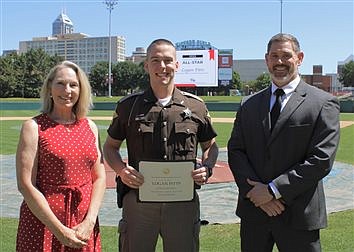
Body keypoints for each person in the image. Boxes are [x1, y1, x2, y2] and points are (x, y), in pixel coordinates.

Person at [227, 33, 340, 252]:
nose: (279, 62)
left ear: (299, 58)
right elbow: (236, 151)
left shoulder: (323, 103)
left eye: (286, 55)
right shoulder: (248, 104)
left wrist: (272, 190)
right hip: (255, 213)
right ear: (266, 59)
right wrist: (257, 194)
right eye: (274, 56)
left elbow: (321, 160)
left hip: (299, 215)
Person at [103, 38, 218, 252]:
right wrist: (121, 170)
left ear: (177, 64)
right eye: (155, 60)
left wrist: (208, 167)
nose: (162, 66)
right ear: (146, 65)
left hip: (183, 204)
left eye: (167, 60)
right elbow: (110, 147)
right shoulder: (128, 106)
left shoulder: (196, 106)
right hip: (139, 202)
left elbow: (210, 145)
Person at [16, 61, 106, 251]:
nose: (67, 90)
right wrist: (59, 230)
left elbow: (99, 177)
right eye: (60, 83)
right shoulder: (34, 127)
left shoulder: (90, 127)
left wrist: (89, 221)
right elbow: (26, 185)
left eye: (73, 85)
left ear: (81, 90)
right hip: (43, 224)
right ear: (49, 88)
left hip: (83, 225)